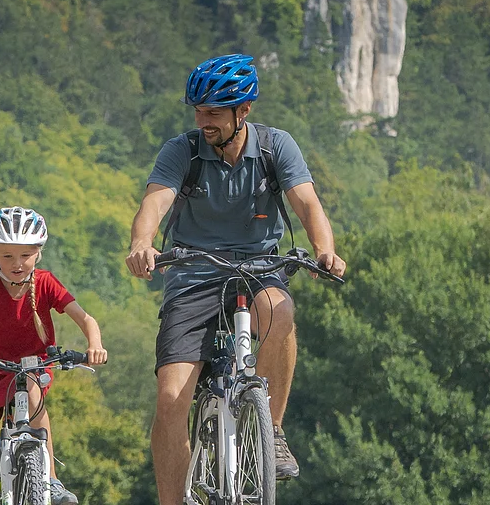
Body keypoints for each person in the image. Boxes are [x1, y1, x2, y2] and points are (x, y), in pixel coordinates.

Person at [124, 53, 348, 504]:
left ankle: (273, 429)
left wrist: (325, 248)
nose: (202, 120)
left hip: (258, 268)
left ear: (243, 111)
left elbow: (306, 202)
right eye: (198, 111)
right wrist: (142, 243)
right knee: (170, 401)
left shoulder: (274, 146)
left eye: (213, 113)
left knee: (280, 311)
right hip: (192, 275)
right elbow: (154, 202)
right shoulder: (181, 151)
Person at [0, 207, 110, 505]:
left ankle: (50, 481)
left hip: (32, 367)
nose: (17, 264)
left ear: (38, 254)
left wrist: (95, 344)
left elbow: (85, 318)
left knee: (37, 403)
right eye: (8, 256)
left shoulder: (45, 282)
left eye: (25, 255)